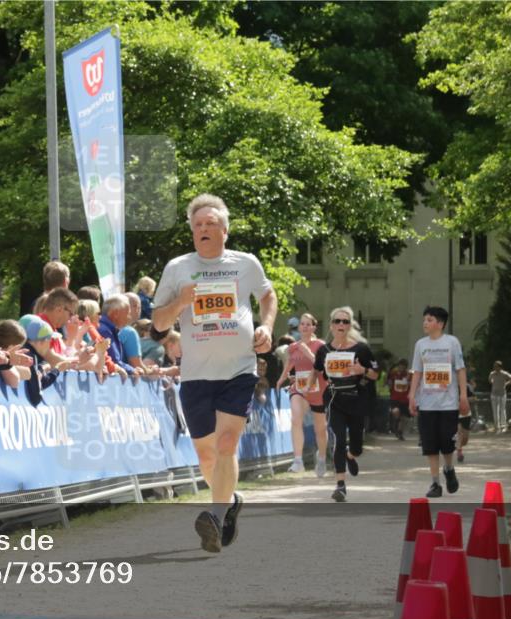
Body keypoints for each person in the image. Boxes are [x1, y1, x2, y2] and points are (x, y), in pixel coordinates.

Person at [152, 193, 276, 551]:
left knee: (226, 444)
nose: (203, 229)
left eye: (210, 224)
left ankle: (216, 516)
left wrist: (266, 326)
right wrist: (181, 302)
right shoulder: (177, 268)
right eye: (197, 226)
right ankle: (230, 500)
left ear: (225, 230)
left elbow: (268, 296)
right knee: (207, 456)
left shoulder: (245, 263)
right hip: (195, 375)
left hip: (238, 369)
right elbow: (159, 322)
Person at [311, 307, 376, 502]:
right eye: (337, 321)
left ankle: (351, 455)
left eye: (345, 322)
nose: (341, 325)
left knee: (356, 445)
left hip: (356, 399)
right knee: (339, 438)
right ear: (331, 326)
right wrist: (305, 386)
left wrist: (361, 370)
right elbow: (316, 371)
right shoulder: (324, 350)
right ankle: (340, 485)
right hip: (333, 399)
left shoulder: (361, 349)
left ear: (350, 326)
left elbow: (375, 374)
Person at [408, 306, 468, 498]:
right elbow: (417, 371)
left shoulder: (452, 343)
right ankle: (435, 484)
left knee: (447, 442)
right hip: (426, 404)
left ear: (440, 324)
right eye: (424, 319)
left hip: (448, 404)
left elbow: (460, 370)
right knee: (430, 445)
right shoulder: (420, 345)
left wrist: (463, 396)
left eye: (430, 319)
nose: (425, 323)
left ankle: (449, 469)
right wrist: (411, 395)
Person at [275, 313, 328, 476]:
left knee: (320, 428)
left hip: (317, 388)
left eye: (308, 324)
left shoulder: (321, 345)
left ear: (314, 327)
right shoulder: (293, 347)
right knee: (295, 418)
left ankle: (322, 459)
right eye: (302, 324)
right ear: (299, 327)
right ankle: (298, 461)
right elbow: (290, 364)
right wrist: (281, 379)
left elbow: (322, 366)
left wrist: (307, 351)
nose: (304, 327)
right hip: (299, 387)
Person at [98, 294, 141, 376]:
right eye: (127, 313)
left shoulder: (108, 329)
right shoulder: (105, 331)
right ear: (116, 313)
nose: (129, 317)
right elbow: (114, 360)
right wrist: (132, 370)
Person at [386, 359, 412, 440]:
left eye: (403, 367)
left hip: (405, 399)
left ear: (405, 367)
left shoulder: (409, 374)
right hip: (395, 397)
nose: (400, 368)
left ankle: (400, 432)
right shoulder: (393, 373)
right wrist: (390, 383)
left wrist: (408, 381)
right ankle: (396, 422)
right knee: (396, 411)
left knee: (403, 416)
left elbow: (412, 384)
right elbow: (389, 383)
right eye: (399, 366)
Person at [455, 365, 476, 463]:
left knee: (465, 438)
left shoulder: (467, 386)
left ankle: (459, 446)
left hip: (466, 413)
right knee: (459, 432)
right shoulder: (451, 387)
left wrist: (464, 400)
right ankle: (459, 453)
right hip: (455, 413)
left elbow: (473, 398)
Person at [488, 361, 511, 432]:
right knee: (495, 411)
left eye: (496, 366)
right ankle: (496, 426)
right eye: (494, 366)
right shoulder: (492, 373)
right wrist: (492, 382)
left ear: (499, 367)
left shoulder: (504, 373)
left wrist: (506, 383)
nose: (494, 367)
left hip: (502, 394)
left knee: (502, 410)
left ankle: (503, 426)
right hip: (493, 394)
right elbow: (489, 380)